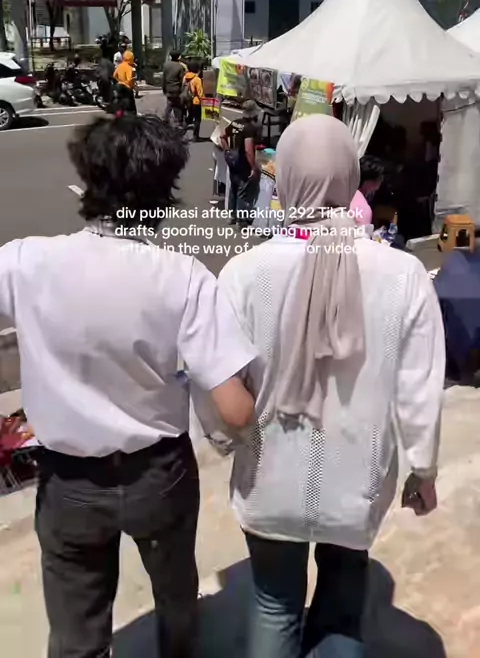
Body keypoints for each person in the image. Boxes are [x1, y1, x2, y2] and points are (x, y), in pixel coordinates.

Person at [0, 114, 257, 658]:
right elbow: (235, 411)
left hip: (68, 481)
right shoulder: (184, 277)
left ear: (87, 179)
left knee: (76, 629)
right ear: (162, 195)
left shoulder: (23, 262)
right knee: (175, 596)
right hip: (158, 476)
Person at [218, 115, 445, 658]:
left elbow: (216, 383)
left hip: (268, 479)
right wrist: (423, 468)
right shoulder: (403, 274)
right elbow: (419, 386)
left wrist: (225, 440)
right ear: (349, 175)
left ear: (287, 175)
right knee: (343, 605)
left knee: (274, 604)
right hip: (356, 482)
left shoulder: (243, 274)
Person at [221, 99, 261, 228]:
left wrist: (227, 150)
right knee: (242, 191)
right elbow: (249, 150)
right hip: (243, 162)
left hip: (232, 160)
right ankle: (241, 220)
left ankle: (232, 216)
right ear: (253, 113)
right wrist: (253, 167)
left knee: (233, 187)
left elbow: (222, 136)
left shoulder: (235, 123)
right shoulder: (249, 128)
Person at [350, 155, 384, 227]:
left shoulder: (344, 193)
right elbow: (362, 234)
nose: (382, 179)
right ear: (368, 181)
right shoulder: (363, 208)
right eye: (380, 177)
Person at [163, 50, 187, 126]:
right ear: (179, 57)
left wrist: (164, 88)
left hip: (168, 88)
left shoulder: (166, 65)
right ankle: (178, 122)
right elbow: (182, 80)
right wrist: (182, 89)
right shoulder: (180, 67)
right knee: (177, 106)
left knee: (170, 104)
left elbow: (164, 78)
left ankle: (165, 120)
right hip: (177, 89)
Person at [183, 60, 204, 142]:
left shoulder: (185, 77)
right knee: (197, 119)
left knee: (190, 117)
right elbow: (200, 93)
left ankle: (180, 133)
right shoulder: (197, 79)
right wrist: (204, 101)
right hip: (196, 101)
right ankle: (195, 137)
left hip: (187, 100)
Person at [113, 49, 137, 114]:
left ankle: (119, 114)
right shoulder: (129, 67)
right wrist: (132, 85)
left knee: (120, 101)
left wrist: (119, 81)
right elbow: (129, 79)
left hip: (119, 86)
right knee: (131, 103)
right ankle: (133, 115)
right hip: (126, 87)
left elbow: (114, 75)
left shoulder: (120, 66)